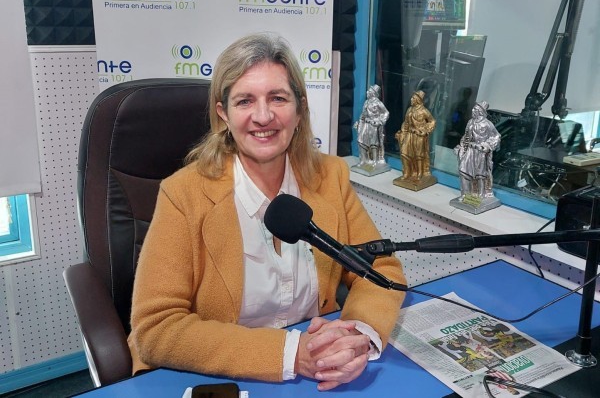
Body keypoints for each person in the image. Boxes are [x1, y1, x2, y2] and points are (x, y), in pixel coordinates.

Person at [128, 33, 405, 391]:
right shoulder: (184, 194)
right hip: (217, 379)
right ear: (223, 114)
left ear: (299, 108)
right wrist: (290, 354)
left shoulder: (330, 177)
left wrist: (356, 336)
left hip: (316, 372)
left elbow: (379, 268)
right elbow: (155, 328)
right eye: (245, 101)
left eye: (278, 98)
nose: (263, 116)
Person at [454, 101, 501, 200]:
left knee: (480, 174)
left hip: (480, 152)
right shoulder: (470, 122)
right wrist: (461, 147)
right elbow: (466, 136)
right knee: (463, 171)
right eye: (473, 108)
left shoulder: (487, 124)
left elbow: (496, 136)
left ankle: (481, 194)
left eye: (475, 109)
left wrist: (487, 145)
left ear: (480, 111)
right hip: (470, 151)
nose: (473, 110)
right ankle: (465, 194)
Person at [395, 90, 436, 181]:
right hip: (409, 134)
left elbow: (432, 121)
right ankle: (407, 172)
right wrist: (402, 132)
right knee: (404, 153)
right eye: (412, 97)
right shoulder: (409, 109)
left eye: (413, 98)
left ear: (418, 99)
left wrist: (425, 130)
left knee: (419, 155)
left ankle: (419, 173)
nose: (411, 99)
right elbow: (405, 123)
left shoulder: (424, 111)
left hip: (419, 136)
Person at [353, 84, 389, 169]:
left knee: (374, 142)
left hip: (373, 125)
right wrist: (359, 122)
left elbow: (386, 113)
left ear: (373, 93)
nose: (367, 92)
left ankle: (375, 161)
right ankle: (364, 160)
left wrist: (380, 121)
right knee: (361, 140)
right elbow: (363, 113)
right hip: (365, 124)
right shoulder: (366, 102)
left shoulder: (378, 103)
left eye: (369, 91)